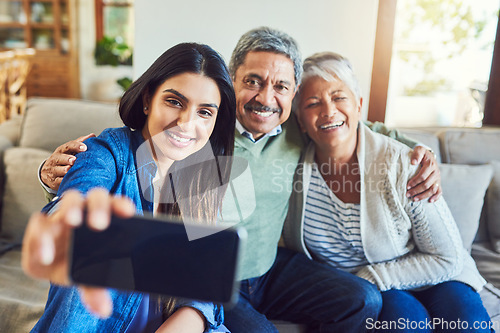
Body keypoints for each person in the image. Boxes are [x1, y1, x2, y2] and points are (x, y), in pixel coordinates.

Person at [37, 27, 443, 332]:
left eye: (281, 86)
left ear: (294, 95)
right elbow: (106, 164)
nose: (266, 98)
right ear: (232, 81)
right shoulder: (200, 136)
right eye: (253, 81)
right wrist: (58, 183)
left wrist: (418, 151)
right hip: (215, 275)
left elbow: (353, 122)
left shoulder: (299, 129)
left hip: (268, 268)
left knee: (362, 299)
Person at [22, 42, 236, 333]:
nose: (186, 123)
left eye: (205, 112)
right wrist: (70, 220)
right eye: (174, 102)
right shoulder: (107, 151)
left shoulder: (202, 179)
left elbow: (202, 288)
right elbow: (80, 194)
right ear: (148, 99)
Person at [282, 51, 492, 332]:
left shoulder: (402, 162)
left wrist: (369, 276)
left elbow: (447, 258)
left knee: (467, 325)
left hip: (439, 275)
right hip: (372, 292)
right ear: (300, 121)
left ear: (358, 105)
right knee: (407, 325)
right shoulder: (289, 168)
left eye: (339, 97)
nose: (329, 111)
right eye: (313, 103)